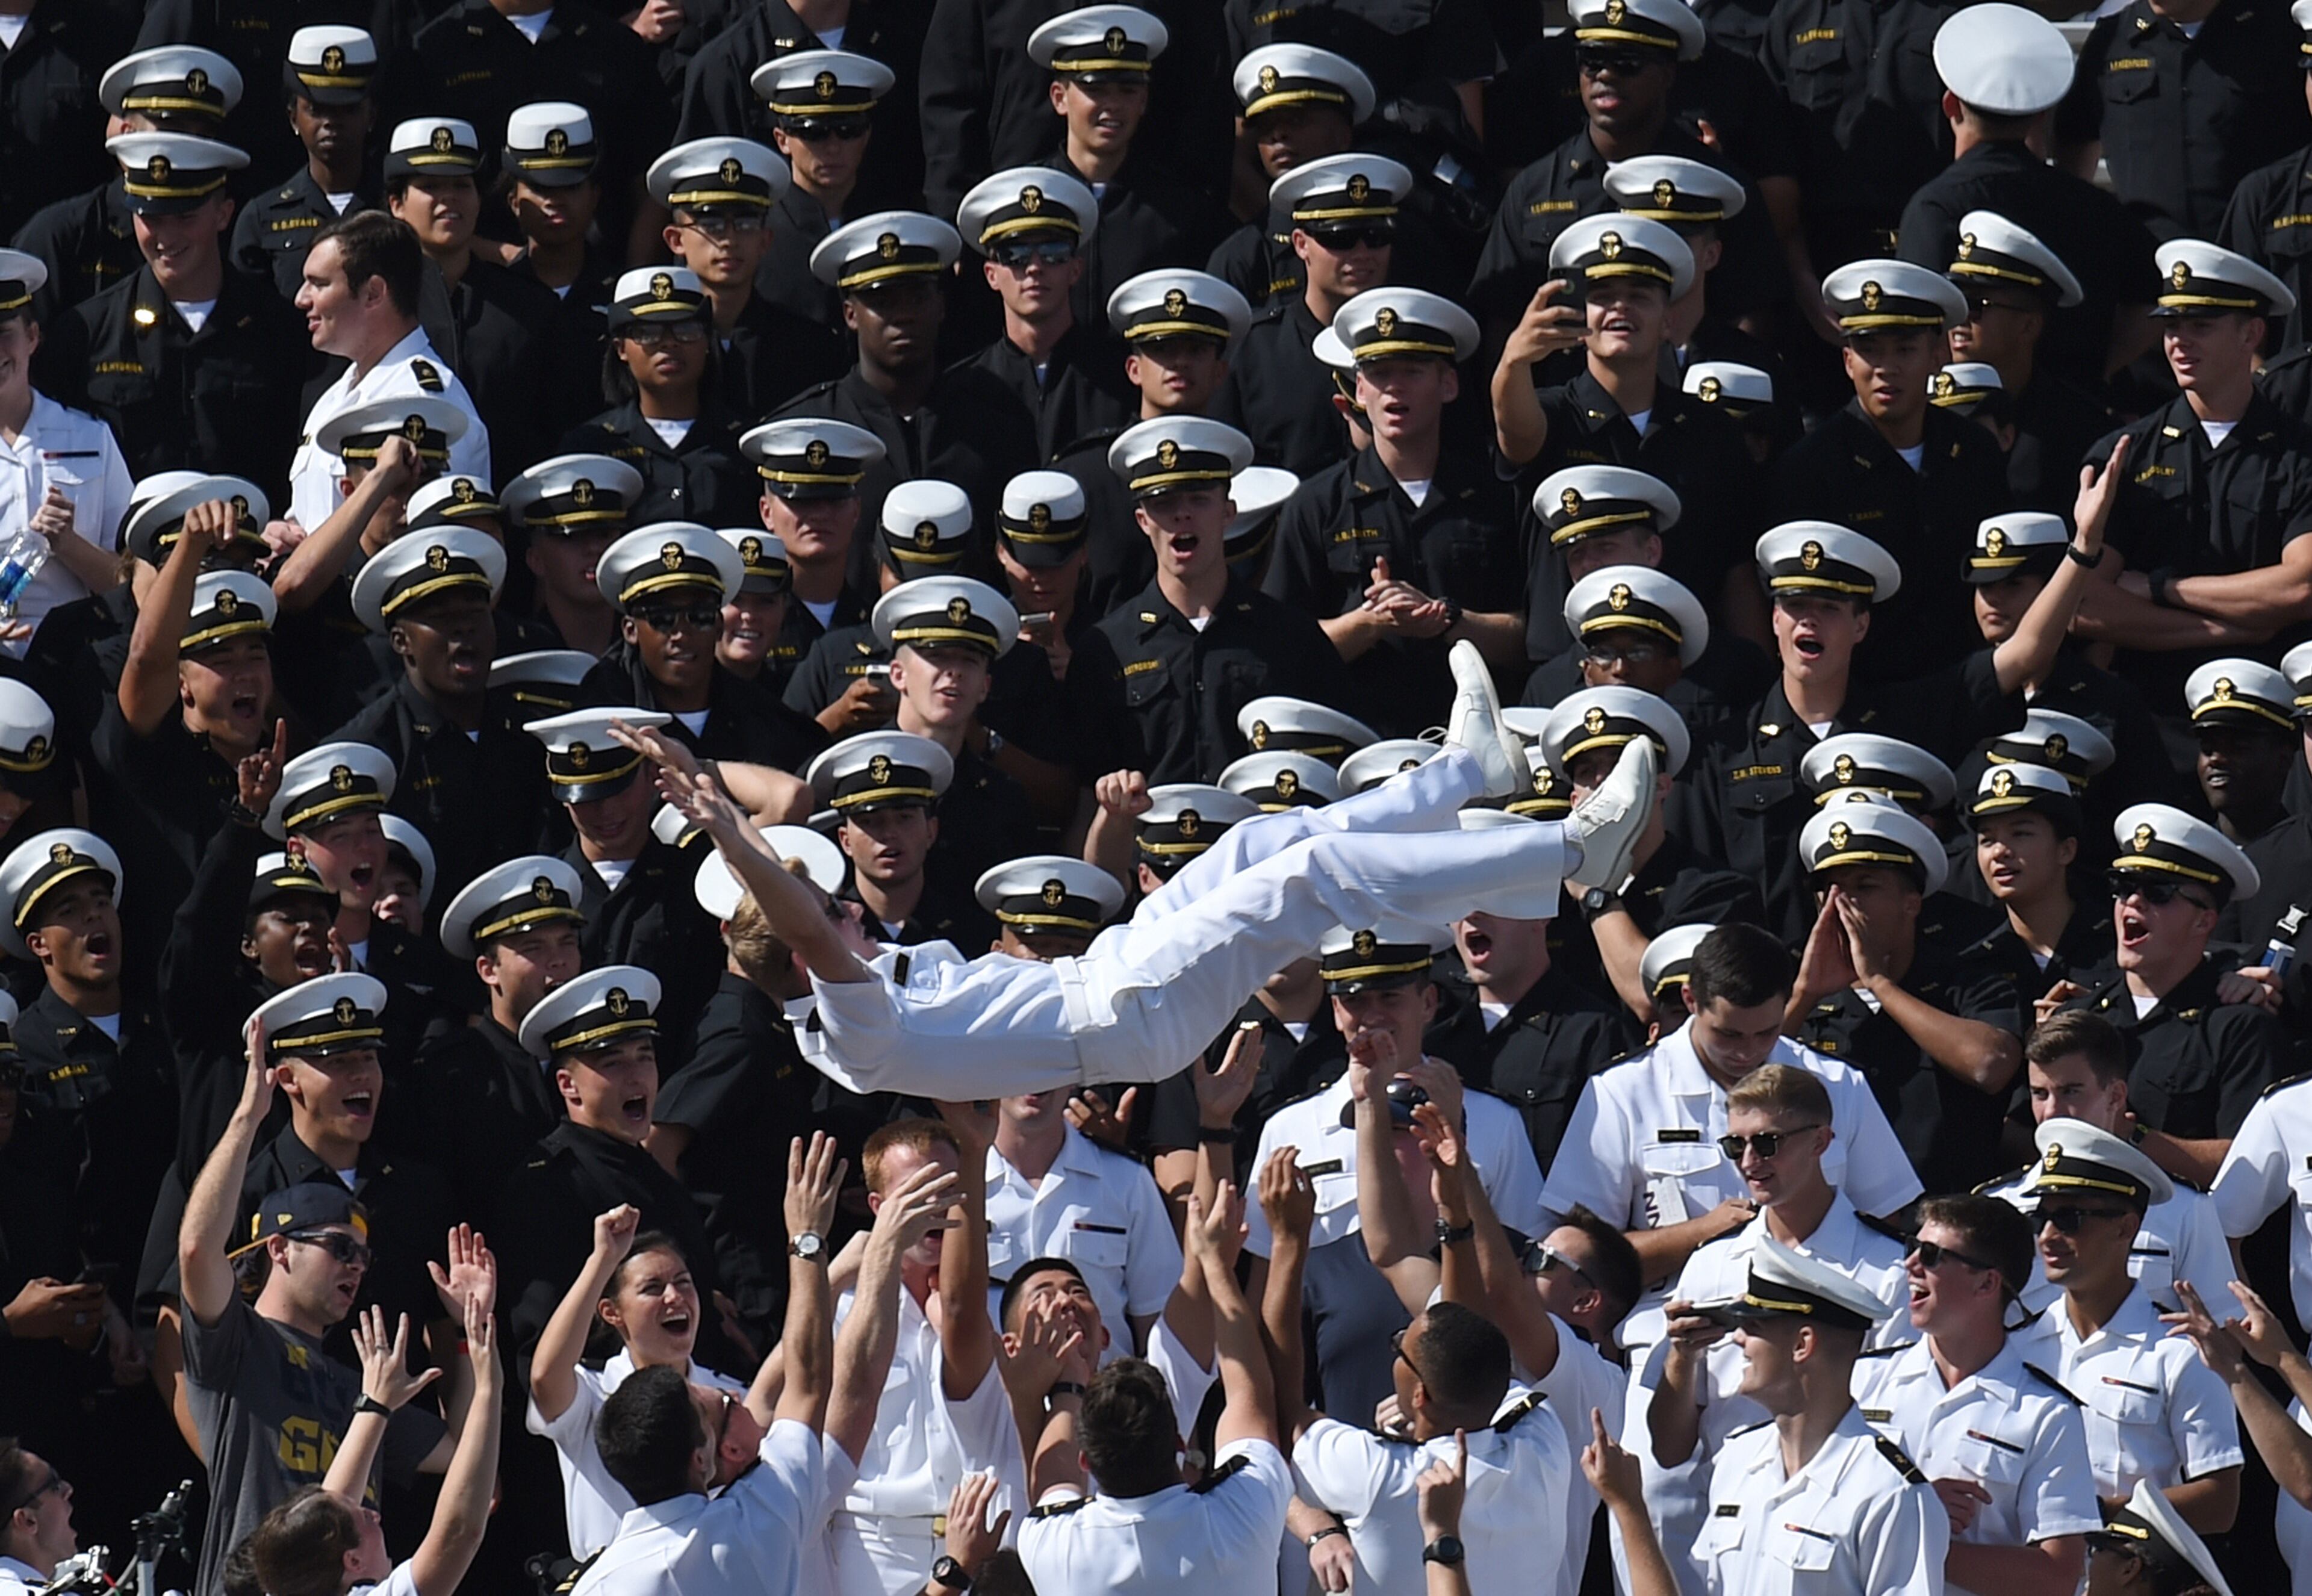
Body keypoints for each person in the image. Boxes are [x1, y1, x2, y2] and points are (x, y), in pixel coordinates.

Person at [657, 641, 1655, 1103]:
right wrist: (732, 837)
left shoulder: (854, 990)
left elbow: (804, 921)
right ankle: (1571, 850)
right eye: (829, 909)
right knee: (1304, 883)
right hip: (1120, 1018)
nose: (845, 903)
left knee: (1262, 847)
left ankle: (1465, 772)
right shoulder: (852, 1021)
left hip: (1113, 979)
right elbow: (801, 925)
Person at [175, 1008, 464, 1596]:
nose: (356, 1267)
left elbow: (468, 1465)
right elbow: (197, 1248)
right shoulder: (237, 1341)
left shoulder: (357, 1382)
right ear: (278, 1248)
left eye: (364, 1256)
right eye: (339, 1248)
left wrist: (472, 1336)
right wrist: (248, 1117)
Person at [1642, 1063, 1912, 1592]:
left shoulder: (1887, 1270)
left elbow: (1896, 1419)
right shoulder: (1711, 1265)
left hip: (1836, 1527)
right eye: (1734, 1144)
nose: (1749, 1162)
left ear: (1821, 1140)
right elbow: (1669, 1449)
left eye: (1767, 1143)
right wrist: (1682, 1356)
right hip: (1727, 1530)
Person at [1260, 1142, 1574, 1596]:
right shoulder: (1544, 1438)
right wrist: (1454, 1214)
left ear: (1421, 1395)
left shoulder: (1379, 1475)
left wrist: (1288, 1243)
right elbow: (1469, 1339)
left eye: (1399, 1347)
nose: (1397, 1345)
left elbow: (1286, 1409)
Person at [570, 1134, 844, 1596]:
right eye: (712, 1406)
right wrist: (806, 1239)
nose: (728, 1394)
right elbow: (810, 1380)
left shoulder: (602, 1585)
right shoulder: (762, 1515)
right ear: (701, 1458)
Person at [1263, 285, 1521, 739]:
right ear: (1359, 388)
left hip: (1479, 752)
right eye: (1379, 373)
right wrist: (1370, 624)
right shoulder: (1318, 505)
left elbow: (1529, 639)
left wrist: (1445, 619)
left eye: (1413, 371)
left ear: (1449, 384)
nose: (1393, 388)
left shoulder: (1494, 497)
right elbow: (1281, 653)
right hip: (1358, 752)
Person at [1015, 1182, 1293, 1593]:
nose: (1065, 1302)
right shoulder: (1244, 1512)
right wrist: (1217, 1267)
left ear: (1086, 1462)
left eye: (1077, 1291)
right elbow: (1250, 1395)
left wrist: (1070, 1383)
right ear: (1181, 1442)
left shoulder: (1055, 1546)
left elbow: (1052, 1478)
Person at [2071, 242, 2312, 712]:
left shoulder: (2299, 455)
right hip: (2153, 712)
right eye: (2172, 326)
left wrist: (2161, 588)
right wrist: (2228, 627)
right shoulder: (2126, 453)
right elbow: (2086, 601)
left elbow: (2300, 587)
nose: (2180, 341)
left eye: (2201, 325)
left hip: (2276, 717)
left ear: (2252, 333)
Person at [1066, 416, 1349, 784]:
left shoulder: (1292, 637)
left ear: (1228, 513)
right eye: (1164, 502)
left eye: (1199, 500)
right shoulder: (1106, 651)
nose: (1182, 514)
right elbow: (1089, 795)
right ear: (1142, 520)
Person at [1898, 5, 2156, 391]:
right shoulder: (2095, 208)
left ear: (1951, 105)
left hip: (1970, 422)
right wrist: (2098, 368)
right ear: (2041, 116)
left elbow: (1916, 329)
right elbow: (2154, 299)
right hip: (2078, 418)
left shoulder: (1936, 208)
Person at [1856, 1194, 2101, 1596]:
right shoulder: (1863, 1380)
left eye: (1932, 1255)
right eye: (1912, 1246)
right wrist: (1913, 1511)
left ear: (1987, 1282)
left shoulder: (2046, 1414)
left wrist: (1924, 1543)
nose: (1911, 1264)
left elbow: (2058, 1575)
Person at [1771, 259, 2006, 677]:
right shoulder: (1811, 467)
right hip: (1864, 689)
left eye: (1905, 349)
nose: (1886, 368)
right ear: (1847, 361)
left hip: (1965, 683)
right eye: (1870, 350)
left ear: (1939, 355)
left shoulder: (1974, 452)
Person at [2009, 1120, 2245, 1533]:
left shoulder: (2179, 1353)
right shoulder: (2014, 1348)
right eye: (2039, 1218)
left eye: (2069, 1218)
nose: (2047, 1236)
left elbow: (2220, 1502)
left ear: (2125, 1227)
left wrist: (2097, 1514)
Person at [1783, 796, 2027, 1192]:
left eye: (1865, 887)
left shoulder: (1966, 979)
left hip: (1946, 1219)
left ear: (1911, 903)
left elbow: (1990, 1065)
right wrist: (1803, 997)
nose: (1843, 903)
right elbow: (1740, 1087)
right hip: (1836, 1221)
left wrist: (1881, 984)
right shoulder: (1798, 995)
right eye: (1830, 890)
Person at [2045, 806, 2284, 1187]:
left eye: (2158, 892)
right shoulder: (2080, 1017)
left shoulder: (2237, 1025)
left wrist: (2133, 1139)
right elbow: (2019, 1136)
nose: (2133, 903)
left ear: (2204, 920)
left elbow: (2251, 1164)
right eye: (2123, 889)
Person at [525, 1208, 749, 1559]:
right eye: (653, 1288)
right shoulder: (594, 1395)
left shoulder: (731, 1400)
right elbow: (544, 1376)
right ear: (612, 1313)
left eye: (683, 1282)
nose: (674, 1297)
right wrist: (603, 1260)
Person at [1986, 1011, 2236, 1320]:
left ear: (2115, 1096)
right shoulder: (1997, 1206)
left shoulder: (2183, 1208)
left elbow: (2222, 1332)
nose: (2051, 1111)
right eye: (2040, 1094)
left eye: (2071, 1091)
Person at [287, 210, 489, 535]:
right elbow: (317, 515)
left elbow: (431, 539)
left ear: (373, 293)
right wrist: (287, 532)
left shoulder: (424, 402)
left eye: (319, 284)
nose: (301, 299)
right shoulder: (334, 396)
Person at [647, 135, 842, 421]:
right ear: (676, 240)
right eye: (711, 225)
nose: (729, 240)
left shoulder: (810, 348)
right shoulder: (654, 345)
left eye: (745, 224)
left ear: (765, 241)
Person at [0, 248, 133, 656]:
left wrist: (69, 544)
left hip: (78, 659)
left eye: (4, 333)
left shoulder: (89, 439)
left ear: (33, 337)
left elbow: (133, 582)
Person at [956, 166, 1134, 464]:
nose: (1035, 268)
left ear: (1075, 269)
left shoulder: (1119, 380)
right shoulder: (962, 393)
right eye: (1015, 256)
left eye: (1054, 252)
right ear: (991, 275)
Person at [561, 265, 756, 530]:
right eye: (648, 333)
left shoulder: (744, 445)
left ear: (707, 342)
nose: (669, 344)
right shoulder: (590, 446)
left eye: (686, 329)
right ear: (621, 349)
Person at [229, 26, 381, 302]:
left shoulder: (394, 209)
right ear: (293, 118)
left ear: (371, 117)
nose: (331, 122)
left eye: (348, 109)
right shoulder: (262, 218)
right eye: (316, 109)